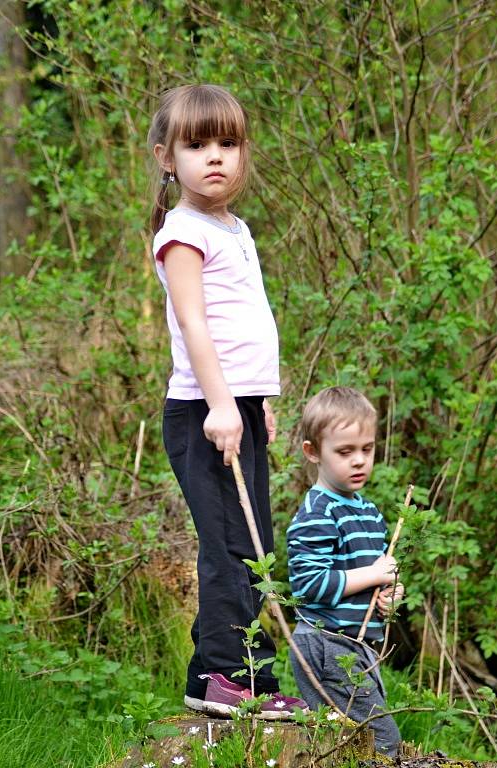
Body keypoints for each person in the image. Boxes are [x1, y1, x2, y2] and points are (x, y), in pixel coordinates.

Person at [148, 84, 307, 719]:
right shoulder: (182, 233)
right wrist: (219, 405)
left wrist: (255, 400)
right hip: (202, 413)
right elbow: (195, 326)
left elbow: (246, 322)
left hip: (237, 407)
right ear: (168, 157)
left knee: (253, 543)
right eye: (197, 144)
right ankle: (221, 675)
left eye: (228, 143)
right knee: (225, 546)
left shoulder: (232, 227)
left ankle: (244, 674)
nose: (215, 156)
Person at [286, 386, 404, 754]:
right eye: (344, 451)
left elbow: (377, 575)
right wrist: (376, 574)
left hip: (358, 645)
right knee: (380, 741)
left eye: (366, 449)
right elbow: (309, 584)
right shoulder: (318, 512)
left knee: (345, 743)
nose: (359, 461)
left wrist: (390, 595)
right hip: (327, 642)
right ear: (313, 452)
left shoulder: (368, 512)